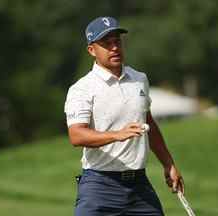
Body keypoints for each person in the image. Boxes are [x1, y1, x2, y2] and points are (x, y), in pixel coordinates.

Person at [64, 16, 184, 216]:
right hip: (99, 185)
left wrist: (168, 164)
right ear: (92, 50)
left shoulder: (139, 79)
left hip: (139, 186)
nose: (114, 48)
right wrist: (116, 135)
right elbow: (77, 135)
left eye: (117, 41)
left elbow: (148, 124)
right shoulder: (82, 88)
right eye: (106, 43)